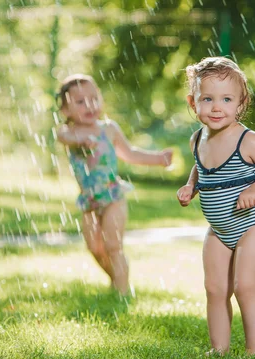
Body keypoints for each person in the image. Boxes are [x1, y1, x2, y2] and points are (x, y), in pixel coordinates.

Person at [177, 57, 255, 355]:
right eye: (208, 99)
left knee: (245, 288)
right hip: (218, 230)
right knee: (215, 290)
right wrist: (192, 185)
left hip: (251, 226)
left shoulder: (247, 141)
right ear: (193, 103)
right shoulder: (197, 139)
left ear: (241, 104)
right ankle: (219, 349)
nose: (217, 107)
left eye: (227, 99)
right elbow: (202, 168)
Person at [57, 74, 173, 295]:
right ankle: (117, 279)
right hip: (89, 200)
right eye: (80, 102)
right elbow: (63, 136)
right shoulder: (69, 132)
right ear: (65, 110)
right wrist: (81, 140)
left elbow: (130, 154)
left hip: (112, 196)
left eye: (93, 98)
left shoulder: (108, 129)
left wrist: (158, 159)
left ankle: (122, 293)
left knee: (113, 246)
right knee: (95, 248)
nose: (89, 105)